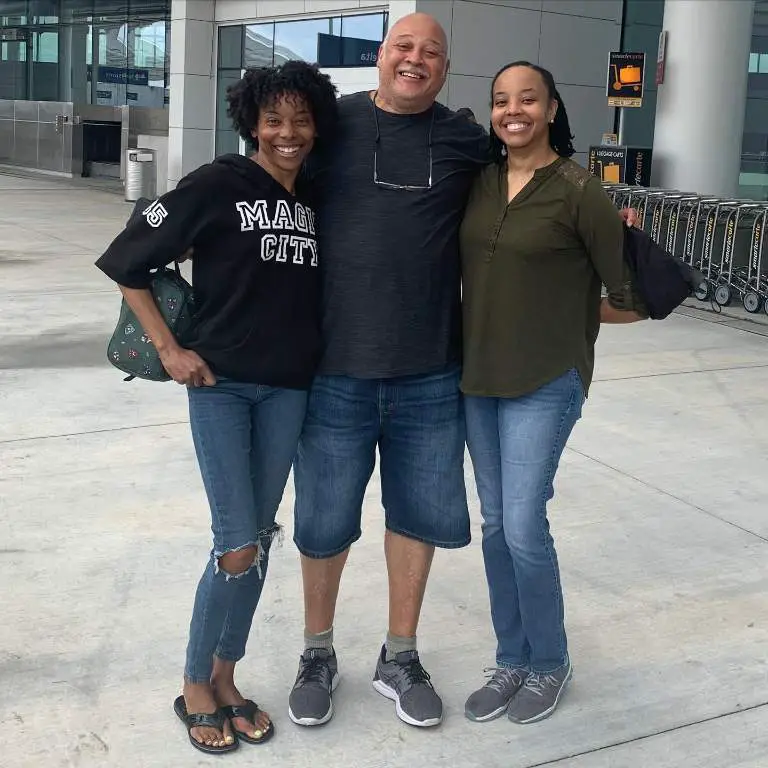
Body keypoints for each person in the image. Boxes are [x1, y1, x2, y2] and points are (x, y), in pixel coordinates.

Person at [95, 62, 338, 754]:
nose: (286, 133)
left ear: (316, 125)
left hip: (290, 390)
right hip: (222, 388)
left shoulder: (317, 198)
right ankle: (195, 683)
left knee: (257, 543)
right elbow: (125, 261)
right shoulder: (218, 184)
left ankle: (227, 680)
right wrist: (169, 349)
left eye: (300, 120)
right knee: (234, 544)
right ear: (250, 124)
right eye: (273, 120)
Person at [287, 13, 489, 729]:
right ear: (380, 55)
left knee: (417, 518)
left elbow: (530, 180)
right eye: (404, 46)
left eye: (432, 52)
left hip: (431, 375)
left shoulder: (466, 139)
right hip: (335, 371)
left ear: (444, 68)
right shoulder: (330, 126)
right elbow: (267, 186)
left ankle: (399, 654)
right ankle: (317, 652)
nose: (416, 59)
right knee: (322, 522)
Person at [459, 61, 646, 726]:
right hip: (477, 380)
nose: (514, 111)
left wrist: (567, 313)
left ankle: (550, 662)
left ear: (552, 108)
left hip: (545, 381)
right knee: (497, 528)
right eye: (501, 100)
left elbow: (630, 299)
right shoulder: (478, 183)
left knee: (525, 527)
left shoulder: (579, 191)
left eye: (528, 99)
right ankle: (512, 656)